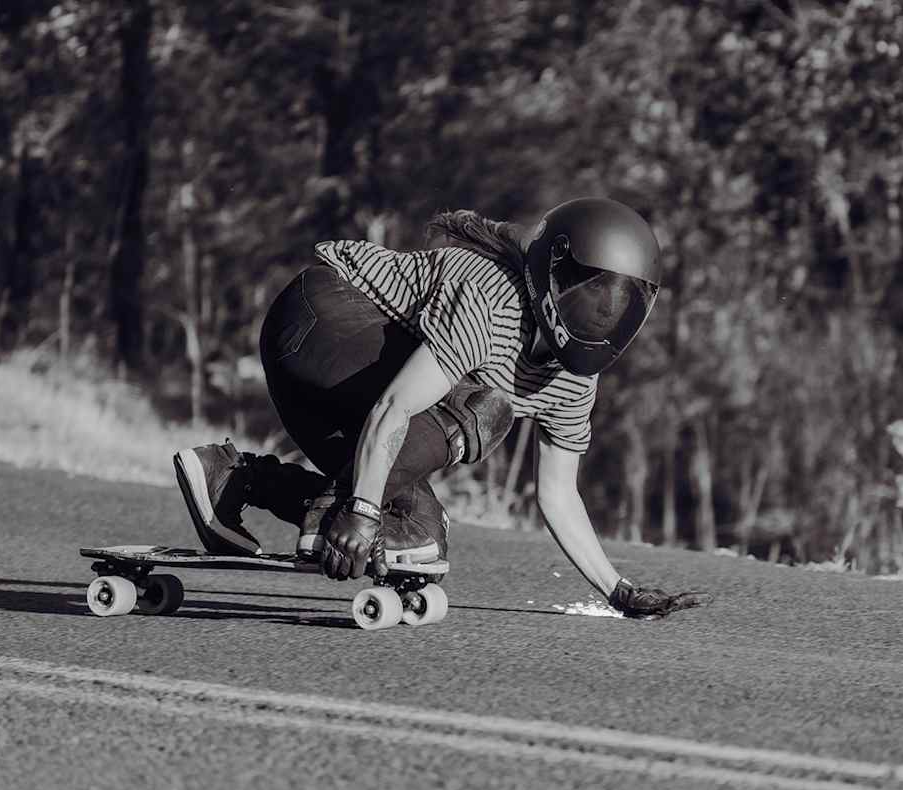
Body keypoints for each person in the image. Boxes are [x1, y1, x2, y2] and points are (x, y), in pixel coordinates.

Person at [173, 197, 710, 618]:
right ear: (552, 270)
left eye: (621, 305)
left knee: (420, 536)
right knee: (486, 409)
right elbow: (394, 406)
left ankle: (235, 479)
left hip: (343, 387)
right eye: (591, 295)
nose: (602, 318)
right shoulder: (491, 298)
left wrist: (617, 590)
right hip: (321, 318)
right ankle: (333, 515)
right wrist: (360, 510)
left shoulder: (573, 379)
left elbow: (558, 494)